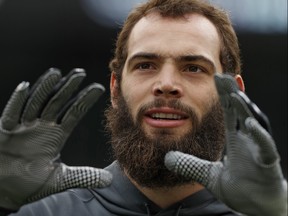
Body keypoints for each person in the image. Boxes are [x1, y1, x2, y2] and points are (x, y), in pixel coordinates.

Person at [0, 0, 286, 215]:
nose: (166, 84)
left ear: (232, 94)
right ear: (115, 88)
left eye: (193, 68)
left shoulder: (265, 211)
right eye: (146, 65)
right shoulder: (43, 212)